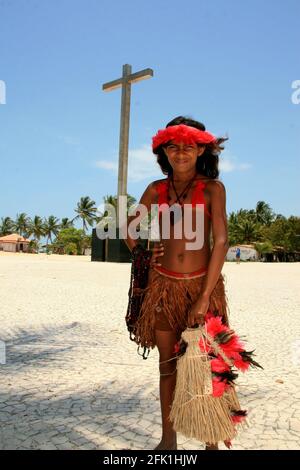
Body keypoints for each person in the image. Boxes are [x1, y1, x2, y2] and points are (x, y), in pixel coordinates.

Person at [124, 116, 243, 451]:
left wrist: (204, 297)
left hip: (201, 288)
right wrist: (144, 253)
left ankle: (211, 440)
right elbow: (129, 228)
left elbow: (220, 241)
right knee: (167, 367)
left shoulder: (212, 189)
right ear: (164, 150)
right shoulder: (156, 189)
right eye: (173, 147)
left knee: (206, 364)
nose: (180, 153)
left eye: (188, 146)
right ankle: (168, 440)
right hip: (163, 289)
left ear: (201, 149)